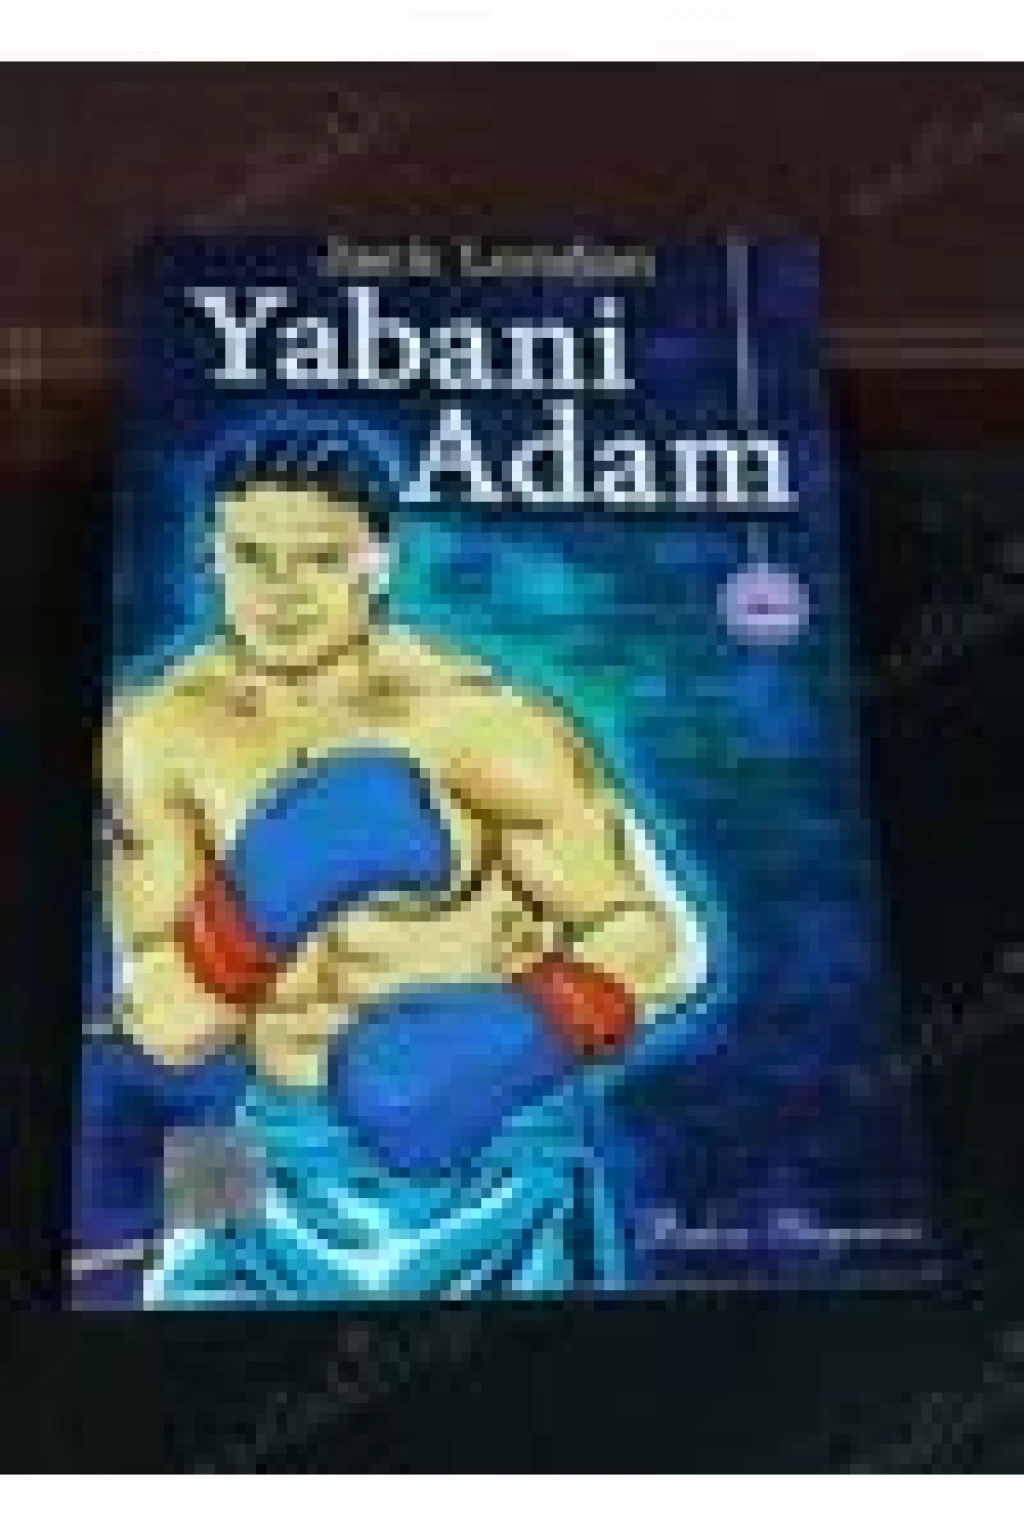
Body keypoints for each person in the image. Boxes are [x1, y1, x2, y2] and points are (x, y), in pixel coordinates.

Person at [91, 437, 704, 1301]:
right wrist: (262, 898)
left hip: (491, 1149)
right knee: (170, 1338)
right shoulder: (155, 729)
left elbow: (661, 942)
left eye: (319, 559)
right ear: (212, 557)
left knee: (523, 1380)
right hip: (258, 1133)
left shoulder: (484, 722)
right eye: (252, 557)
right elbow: (164, 1025)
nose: (281, 592)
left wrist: (509, 1039)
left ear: (378, 561)